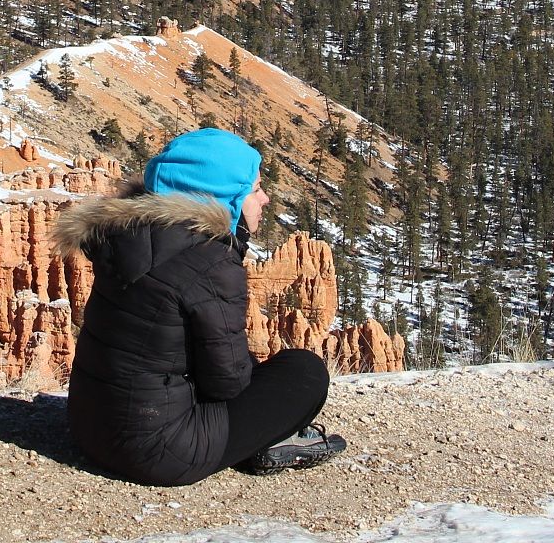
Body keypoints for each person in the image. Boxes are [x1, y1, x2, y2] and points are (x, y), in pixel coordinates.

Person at [52, 126, 345, 484]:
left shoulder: (126, 237)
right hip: (159, 453)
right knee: (305, 371)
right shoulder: (208, 260)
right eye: (254, 190)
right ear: (225, 199)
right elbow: (229, 384)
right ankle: (267, 444)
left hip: (90, 430)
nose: (265, 199)